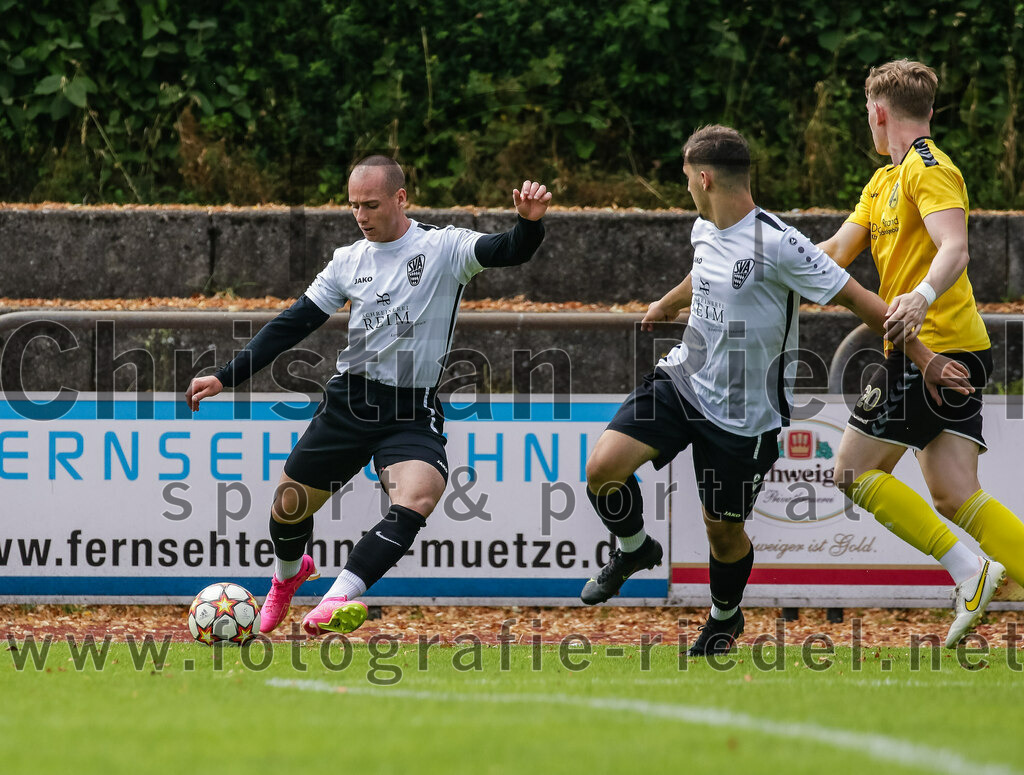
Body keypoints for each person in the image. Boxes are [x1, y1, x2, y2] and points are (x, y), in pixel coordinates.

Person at [578, 124, 972, 656]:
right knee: (603, 468)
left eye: (687, 178)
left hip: (745, 417)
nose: (687, 188)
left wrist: (923, 359)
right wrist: (668, 303)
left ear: (705, 176)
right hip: (683, 381)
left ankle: (724, 618)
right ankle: (633, 549)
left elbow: (861, 300)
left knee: (724, 533)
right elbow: (702, 270)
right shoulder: (703, 227)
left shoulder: (781, 244)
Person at [186, 156, 551, 637]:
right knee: (288, 510)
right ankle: (288, 575)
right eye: (354, 205)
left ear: (401, 198)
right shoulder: (347, 260)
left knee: (418, 497)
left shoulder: (443, 248)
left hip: (409, 410)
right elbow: (294, 323)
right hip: (350, 402)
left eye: (371, 205)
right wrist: (226, 376)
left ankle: (336, 599)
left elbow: (509, 250)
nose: (361, 215)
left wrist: (528, 224)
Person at [819, 59, 1023, 647]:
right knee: (956, 494)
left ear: (879, 113)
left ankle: (971, 571)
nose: (868, 123)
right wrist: (771, 265)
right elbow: (833, 250)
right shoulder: (884, 181)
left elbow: (955, 247)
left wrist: (922, 294)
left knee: (853, 471)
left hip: (935, 345)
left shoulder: (929, 169)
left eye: (867, 115)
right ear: (925, 110)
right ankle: (977, 569)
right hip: (942, 345)